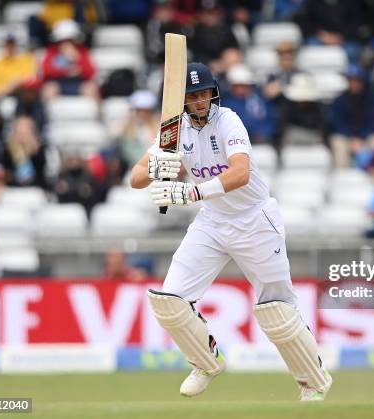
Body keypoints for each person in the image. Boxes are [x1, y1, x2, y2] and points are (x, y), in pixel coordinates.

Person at [129, 62, 332, 401]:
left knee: (277, 309)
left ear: (214, 93)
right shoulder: (172, 130)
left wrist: (193, 192)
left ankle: (313, 381)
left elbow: (241, 173)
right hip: (212, 222)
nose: (200, 102)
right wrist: (154, 166)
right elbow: (136, 179)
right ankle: (205, 362)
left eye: (204, 94)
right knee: (171, 301)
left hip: (255, 220)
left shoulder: (229, 121)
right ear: (181, 100)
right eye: (192, 96)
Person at [329, 64, 374, 168]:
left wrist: (361, 138)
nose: (355, 84)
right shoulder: (339, 100)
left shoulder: (371, 99)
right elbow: (337, 123)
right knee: (338, 143)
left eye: (358, 81)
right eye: (352, 80)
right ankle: (342, 177)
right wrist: (351, 138)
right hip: (346, 137)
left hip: (366, 136)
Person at [41, 19, 99, 101]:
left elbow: (91, 72)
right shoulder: (52, 51)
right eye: (63, 40)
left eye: (70, 40)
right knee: (49, 89)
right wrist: (63, 69)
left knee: (91, 88)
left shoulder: (82, 51)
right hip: (59, 84)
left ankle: (96, 113)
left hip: (78, 83)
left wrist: (77, 59)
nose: (66, 43)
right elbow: (46, 71)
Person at [221, 64, 277, 145]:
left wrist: (264, 131)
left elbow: (271, 118)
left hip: (265, 140)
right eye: (237, 86)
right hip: (238, 142)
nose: (241, 89)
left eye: (244, 85)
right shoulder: (227, 104)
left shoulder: (258, 98)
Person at [0, 34, 37, 99]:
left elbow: (31, 79)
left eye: (12, 44)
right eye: (7, 44)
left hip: (23, 96)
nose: (10, 47)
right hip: (3, 97)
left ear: (15, 45)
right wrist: (14, 84)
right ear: (3, 45)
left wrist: (16, 82)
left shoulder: (25, 59)